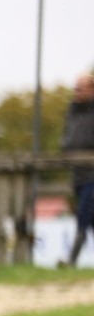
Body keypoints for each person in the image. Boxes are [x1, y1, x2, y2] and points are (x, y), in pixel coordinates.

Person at [62, 73, 94, 267]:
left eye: (80, 88)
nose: (77, 92)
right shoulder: (72, 112)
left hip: (92, 174)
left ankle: (71, 260)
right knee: (89, 217)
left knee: (83, 215)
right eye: (75, 88)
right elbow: (67, 138)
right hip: (77, 174)